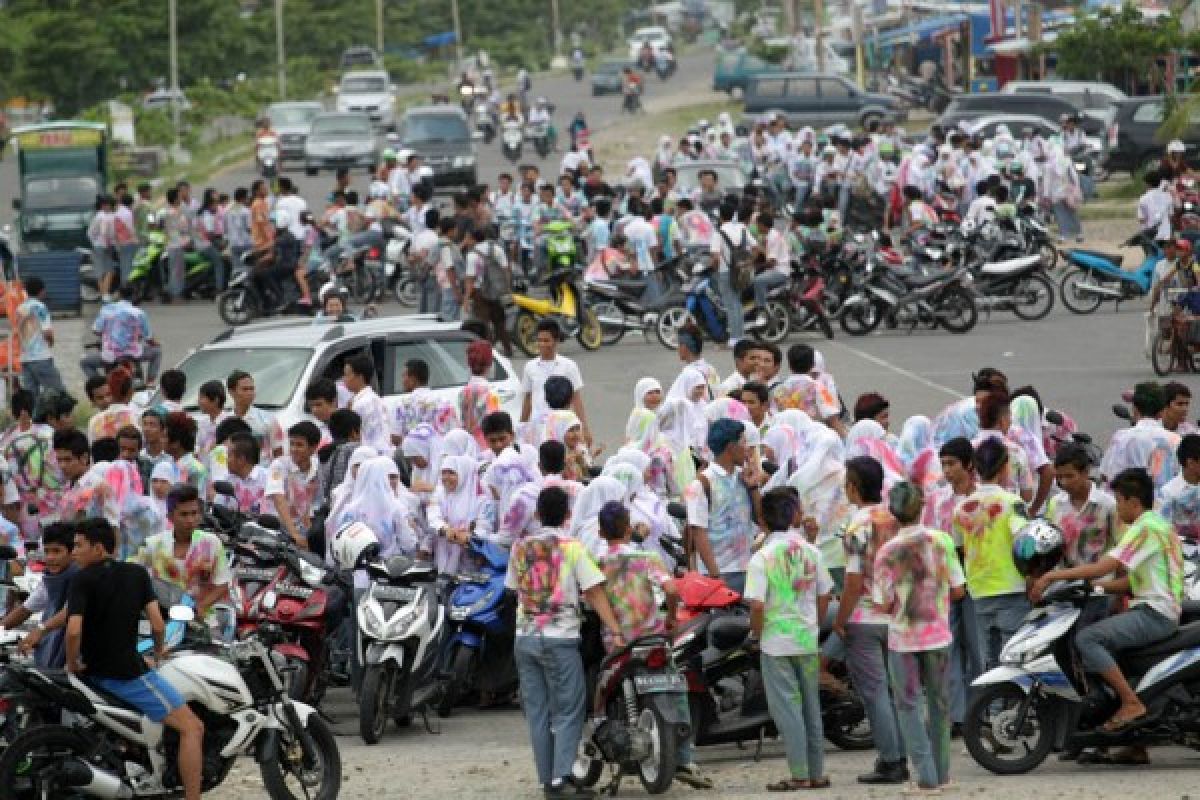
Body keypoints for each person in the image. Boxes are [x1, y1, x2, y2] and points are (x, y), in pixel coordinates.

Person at [1032, 468, 1183, 736]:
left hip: (1155, 612)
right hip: (1158, 608)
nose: (1117, 507)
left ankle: (1131, 703)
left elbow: (1104, 566)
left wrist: (1052, 576)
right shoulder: (1157, 525)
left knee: (1089, 639)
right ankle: (1134, 743)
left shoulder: (1145, 528)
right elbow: (1128, 583)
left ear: (1133, 502)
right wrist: (1090, 587)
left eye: (1120, 501)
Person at [66, 517, 205, 800]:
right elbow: (157, 624)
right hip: (126, 677)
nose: (73, 552)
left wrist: (72, 663)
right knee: (193, 727)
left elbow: (73, 631)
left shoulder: (82, 580)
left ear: (98, 548)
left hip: (93, 674)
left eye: (78, 546)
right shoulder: (137, 574)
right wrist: (158, 651)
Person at [507, 487, 623, 799]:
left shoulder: (520, 548)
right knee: (569, 710)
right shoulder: (573, 548)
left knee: (538, 713)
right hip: (560, 639)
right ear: (568, 515)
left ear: (537, 514)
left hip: (525, 637)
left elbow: (512, 589)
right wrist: (616, 630)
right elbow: (595, 592)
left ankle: (549, 780)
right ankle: (561, 781)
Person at [874, 482, 965, 795]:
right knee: (940, 705)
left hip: (904, 639)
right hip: (938, 635)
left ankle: (925, 777)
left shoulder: (887, 551)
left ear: (893, 511)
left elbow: (883, 602)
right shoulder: (941, 541)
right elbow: (958, 588)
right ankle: (941, 775)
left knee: (908, 706)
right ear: (922, 506)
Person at [744, 487, 833, 792]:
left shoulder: (762, 558)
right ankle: (817, 771)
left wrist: (756, 633)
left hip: (775, 643)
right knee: (811, 707)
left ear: (762, 520)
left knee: (788, 711)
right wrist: (814, 623)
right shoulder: (811, 551)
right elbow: (825, 594)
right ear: (795, 515)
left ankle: (799, 774)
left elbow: (756, 605)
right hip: (806, 638)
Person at [830, 455, 908, 785]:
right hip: (896, 614)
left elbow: (852, 582)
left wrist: (840, 620)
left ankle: (891, 760)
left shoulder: (857, 526)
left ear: (854, 486)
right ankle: (900, 754)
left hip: (864, 616)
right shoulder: (895, 519)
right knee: (895, 693)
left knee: (874, 694)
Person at [952, 437, 1030, 669]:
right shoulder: (1012, 502)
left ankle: (993, 706)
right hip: (1011, 588)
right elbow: (1024, 545)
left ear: (974, 468)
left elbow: (959, 548)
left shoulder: (962, 508)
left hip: (979, 591)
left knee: (991, 663)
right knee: (1014, 659)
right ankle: (1016, 704)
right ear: (1005, 467)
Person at [683, 418, 764, 593]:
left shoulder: (743, 477)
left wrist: (754, 487)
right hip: (720, 572)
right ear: (730, 447)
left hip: (747, 568)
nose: (748, 449)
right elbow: (699, 532)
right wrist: (715, 576)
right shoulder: (701, 484)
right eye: (743, 442)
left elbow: (762, 520)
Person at [136, 485, 232, 618]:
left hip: (199, 619)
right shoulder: (152, 545)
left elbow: (222, 583)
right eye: (184, 514)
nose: (190, 520)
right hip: (161, 618)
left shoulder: (211, 543)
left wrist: (201, 606)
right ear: (170, 516)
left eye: (194, 513)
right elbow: (136, 580)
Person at [0, 521, 77, 667]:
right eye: (47, 551)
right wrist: (1, 629)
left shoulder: (81, 578)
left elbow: (71, 610)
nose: (50, 557)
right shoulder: (50, 579)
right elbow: (26, 609)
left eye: (57, 551)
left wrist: (41, 630)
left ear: (72, 552)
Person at [520, 319, 591, 444]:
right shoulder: (530, 367)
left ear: (556, 341)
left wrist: (584, 428)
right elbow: (528, 399)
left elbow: (576, 399)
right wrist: (522, 427)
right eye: (539, 340)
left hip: (563, 426)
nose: (542, 344)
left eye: (546, 340)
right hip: (538, 427)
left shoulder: (569, 366)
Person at [1100, 381, 1179, 491]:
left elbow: (1106, 474)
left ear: (1135, 409)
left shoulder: (1120, 437)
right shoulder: (1175, 440)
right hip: (1162, 504)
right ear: (1162, 411)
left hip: (1125, 503)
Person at [81, 285, 162, 384]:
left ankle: (103, 385)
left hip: (110, 356)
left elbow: (96, 330)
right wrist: (156, 344)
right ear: (134, 296)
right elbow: (149, 338)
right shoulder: (139, 313)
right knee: (157, 352)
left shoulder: (107, 309)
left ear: (119, 294)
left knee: (85, 362)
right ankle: (150, 383)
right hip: (134, 354)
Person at [265, 421, 321, 550]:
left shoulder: (319, 467)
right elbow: (279, 499)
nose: (294, 449)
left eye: (299, 445)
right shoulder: (279, 465)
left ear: (313, 448)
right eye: (292, 444)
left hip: (306, 534)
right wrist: (294, 534)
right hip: (278, 530)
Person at [463, 224, 513, 356]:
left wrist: (466, 299)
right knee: (500, 322)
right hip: (498, 292)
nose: (466, 241)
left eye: (467, 238)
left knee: (483, 324)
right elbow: (507, 270)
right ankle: (508, 349)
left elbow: (470, 279)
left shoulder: (472, 255)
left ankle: (488, 352)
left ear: (473, 239)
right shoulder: (497, 249)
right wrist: (506, 289)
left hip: (480, 294)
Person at [14, 276, 65, 397]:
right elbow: (47, 331)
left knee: (31, 397)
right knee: (57, 393)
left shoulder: (20, 308)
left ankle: (34, 416)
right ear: (42, 291)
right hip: (41, 357)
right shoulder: (40, 307)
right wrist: (51, 342)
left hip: (25, 359)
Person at [711, 202, 751, 346]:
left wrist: (714, 268)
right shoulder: (742, 228)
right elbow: (757, 247)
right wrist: (748, 263)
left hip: (725, 271)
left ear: (721, 216)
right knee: (738, 303)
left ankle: (735, 338)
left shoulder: (719, 232)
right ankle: (740, 334)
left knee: (731, 304)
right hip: (742, 271)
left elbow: (715, 256)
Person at [344, 353, 391, 455]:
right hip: (385, 451)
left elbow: (355, 435)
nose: (344, 379)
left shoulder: (360, 404)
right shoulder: (375, 398)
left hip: (369, 454)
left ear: (360, 377)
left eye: (347, 375)